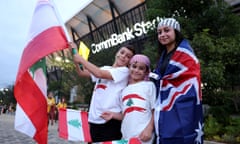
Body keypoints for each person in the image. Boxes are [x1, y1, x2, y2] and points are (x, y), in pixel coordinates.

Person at [151, 18, 203, 144]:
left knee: (183, 134)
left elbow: (191, 78)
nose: (162, 35)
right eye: (159, 32)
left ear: (176, 32)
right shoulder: (162, 55)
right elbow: (161, 77)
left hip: (183, 103)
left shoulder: (186, 54)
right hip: (163, 104)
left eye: (166, 30)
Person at [70, 42, 135, 143]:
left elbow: (99, 73)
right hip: (94, 121)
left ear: (129, 61)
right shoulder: (105, 68)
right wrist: (74, 54)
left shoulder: (124, 71)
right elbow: (82, 72)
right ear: (117, 53)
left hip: (109, 122)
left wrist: (80, 58)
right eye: (122, 52)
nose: (123, 56)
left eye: (128, 56)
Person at [101, 54, 156, 144]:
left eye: (141, 68)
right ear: (129, 67)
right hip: (126, 137)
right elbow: (126, 114)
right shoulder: (124, 90)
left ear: (146, 72)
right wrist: (113, 115)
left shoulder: (149, 86)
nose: (136, 70)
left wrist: (149, 129)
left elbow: (155, 110)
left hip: (143, 136)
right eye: (134, 66)